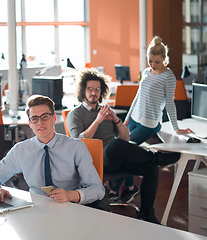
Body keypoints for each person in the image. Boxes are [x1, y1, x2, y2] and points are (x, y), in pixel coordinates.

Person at [66, 68, 181, 224]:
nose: (94, 93)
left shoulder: (105, 110)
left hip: (114, 159)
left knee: (149, 167)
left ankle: (147, 212)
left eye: (97, 90)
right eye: (90, 89)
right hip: (94, 163)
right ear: (83, 91)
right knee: (115, 146)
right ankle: (157, 157)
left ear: (102, 91)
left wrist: (115, 119)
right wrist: (98, 120)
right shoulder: (76, 114)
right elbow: (78, 142)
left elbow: (125, 139)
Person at [0, 95, 106, 209]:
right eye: (34, 118)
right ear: (30, 124)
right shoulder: (21, 150)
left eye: (45, 116)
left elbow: (97, 189)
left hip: (69, 207)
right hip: (36, 209)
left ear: (53, 118)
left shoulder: (75, 147)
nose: (40, 122)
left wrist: (71, 195)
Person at [124, 36, 193, 145]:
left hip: (150, 124)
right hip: (134, 118)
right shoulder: (146, 72)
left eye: (157, 62)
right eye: (150, 61)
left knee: (125, 146)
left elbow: (170, 103)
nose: (153, 65)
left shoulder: (168, 76)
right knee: (119, 144)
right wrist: (127, 119)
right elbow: (138, 96)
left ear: (164, 58)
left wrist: (176, 128)